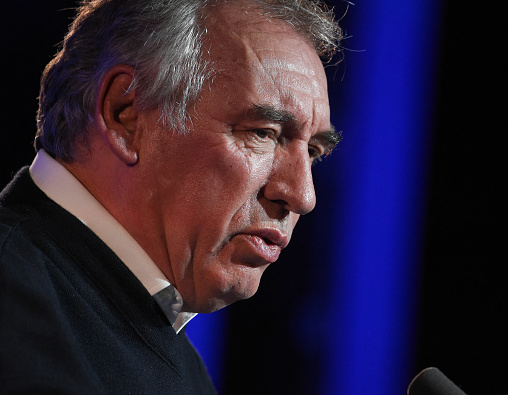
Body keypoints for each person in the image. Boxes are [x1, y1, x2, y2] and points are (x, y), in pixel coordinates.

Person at [0, 0, 343, 392]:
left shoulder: (168, 346)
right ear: (125, 113)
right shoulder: (14, 298)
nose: (302, 195)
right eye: (262, 133)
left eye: (314, 152)